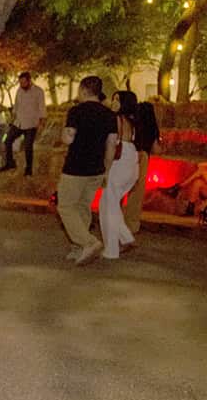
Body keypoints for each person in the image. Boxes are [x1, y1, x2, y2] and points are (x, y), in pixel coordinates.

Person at [57, 76, 117, 265]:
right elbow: (111, 145)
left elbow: (68, 139)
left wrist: (63, 131)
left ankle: (88, 242)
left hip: (76, 167)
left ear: (83, 90)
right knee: (82, 207)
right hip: (97, 168)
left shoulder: (76, 111)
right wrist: (106, 170)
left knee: (65, 206)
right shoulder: (109, 115)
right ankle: (79, 248)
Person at [100, 90, 140, 260]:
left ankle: (112, 249)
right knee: (109, 203)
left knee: (108, 204)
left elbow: (112, 143)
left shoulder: (116, 119)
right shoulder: (132, 122)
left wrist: (106, 169)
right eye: (113, 98)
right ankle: (125, 238)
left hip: (120, 160)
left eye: (118, 99)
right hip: (131, 160)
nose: (114, 102)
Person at [0, 71, 45, 176]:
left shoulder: (38, 91)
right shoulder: (19, 90)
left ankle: (28, 169)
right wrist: (12, 119)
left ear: (29, 81)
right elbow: (16, 106)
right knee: (7, 140)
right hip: (18, 123)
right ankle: (10, 163)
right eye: (20, 83)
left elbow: (42, 108)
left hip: (31, 124)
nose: (21, 85)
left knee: (28, 147)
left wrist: (41, 123)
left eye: (24, 82)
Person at [124, 101, 160, 235]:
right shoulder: (152, 126)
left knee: (122, 189)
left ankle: (117, 219)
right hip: (142, 156)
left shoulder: (131, 123)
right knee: (136, 193)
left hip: (129, 154)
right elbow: (156, 149)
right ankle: (131, 225)